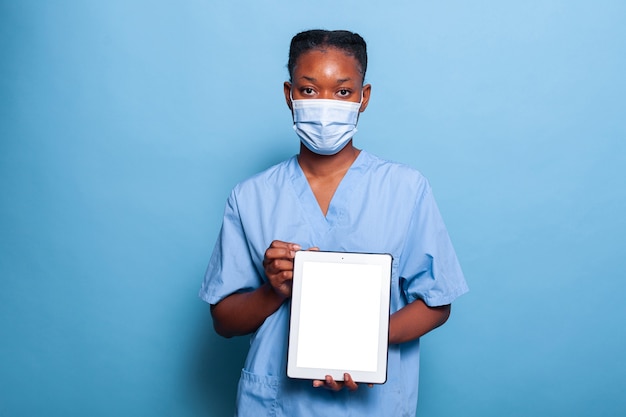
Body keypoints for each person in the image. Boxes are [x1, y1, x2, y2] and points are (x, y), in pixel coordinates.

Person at [199, 29, 468, 417]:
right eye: (309, 91)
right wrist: (274, 289)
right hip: (275, 402)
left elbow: (437, 302)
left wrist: (361, 348)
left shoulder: (405, 189)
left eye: (342, 92)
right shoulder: (251, 196)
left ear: (364, 97)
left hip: (374, 403)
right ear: (289, 94)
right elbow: (224, 320)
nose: (325, 104)